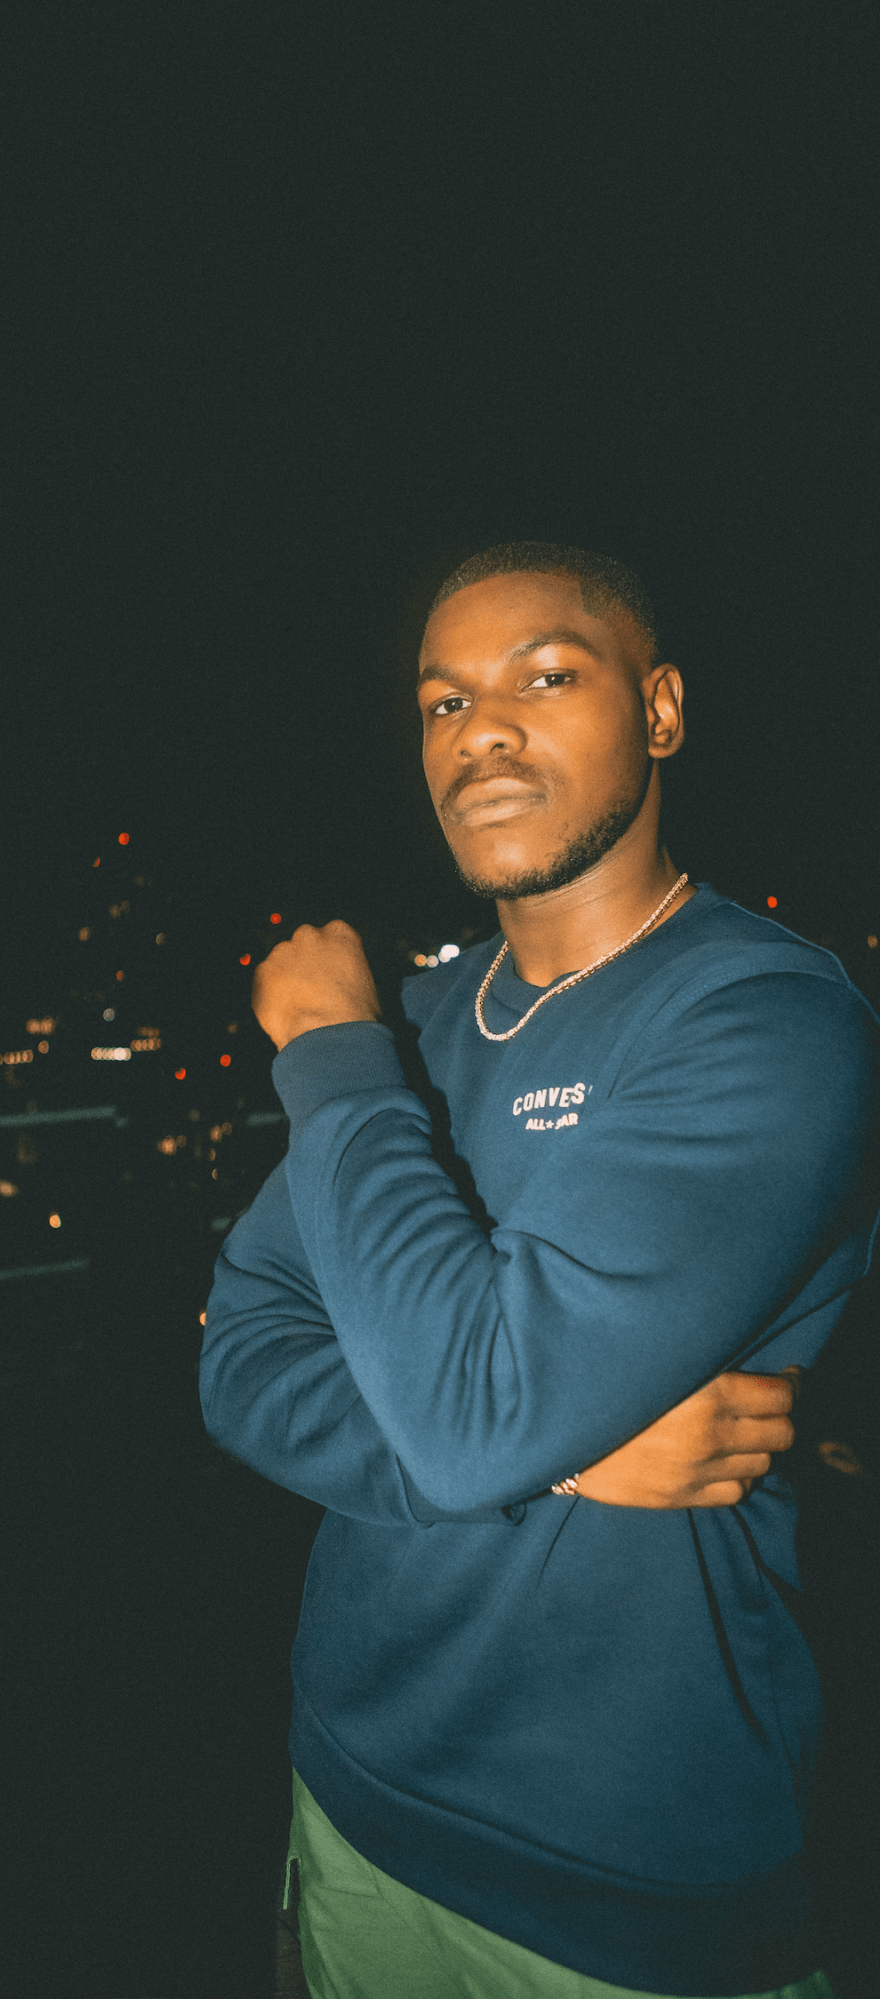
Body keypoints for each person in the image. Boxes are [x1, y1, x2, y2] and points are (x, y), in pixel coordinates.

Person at [199, 542, 880, 1998]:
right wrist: (564, 1457)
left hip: (627, 1883)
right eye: (443, 702)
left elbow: (474, 1419)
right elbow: (241, 1350)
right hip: (356, 1794)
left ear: (664, 711)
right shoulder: (420, 1027)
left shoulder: (769, 1022)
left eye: (546, 676)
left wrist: (323, 1042)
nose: (480, 729)